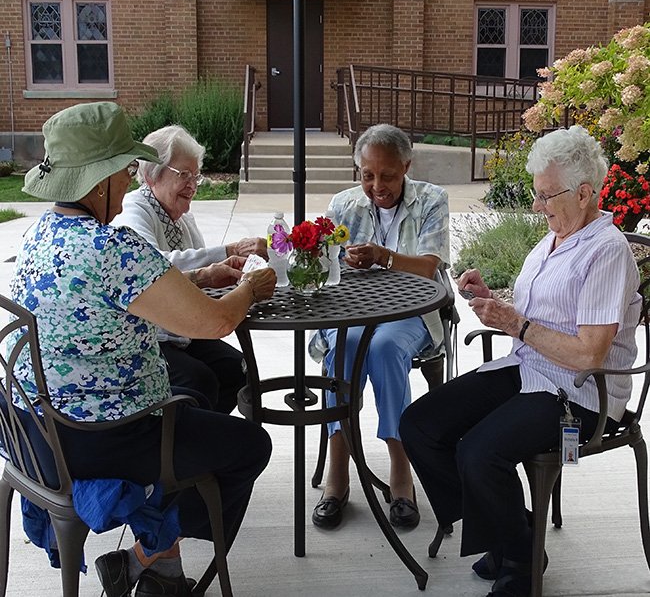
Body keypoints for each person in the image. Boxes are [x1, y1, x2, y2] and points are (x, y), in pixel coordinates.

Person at [11, 102, 276, 597]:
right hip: (100, 435)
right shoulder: (112, 248)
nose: (132, 179)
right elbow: (215, 322)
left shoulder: (39, 234)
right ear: (97, 181)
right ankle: (145, 556)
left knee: (197, 393)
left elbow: (148, 296)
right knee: (248, 446)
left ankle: (163, 572)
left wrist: (203, 277)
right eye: (125, 169)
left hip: (35, 429)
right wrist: (251, 286)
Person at [400, 125, 641, 597]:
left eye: (548, 196)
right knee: (421, 425)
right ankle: (518, 535)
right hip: (529, 367)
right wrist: (493, 302)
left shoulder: (606, 252)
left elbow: (589, 354)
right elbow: (543, 314)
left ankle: (519, 560)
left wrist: (517, 326)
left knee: (479, 452)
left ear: (586, 193)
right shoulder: (556, 237)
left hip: (580, 392)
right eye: (538, 194)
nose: (537, 205)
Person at [309, 123, 450, 530]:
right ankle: (338, 472)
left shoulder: (431, 201)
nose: (377, 185)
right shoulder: (343, 204)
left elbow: (428, 267)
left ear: (406, 166)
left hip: (413, 312)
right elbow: (322, 265)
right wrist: (334, 260)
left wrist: (383, 257)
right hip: (352, 311)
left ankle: (400, 469)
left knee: (385, 346)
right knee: (345, 347)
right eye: (367, 175)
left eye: (387, 175)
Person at [112, 124, 267, 414]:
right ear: (150, 175)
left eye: (196, 175)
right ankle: (178, 448)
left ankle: (198, 442)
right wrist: (229, 251)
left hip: (180, 333)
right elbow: (155, 267)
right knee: (200, 380)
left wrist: (228, 271)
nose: (193, 184)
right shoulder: (134, 211)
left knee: (239, 370)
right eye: (183, 174)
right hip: (149, 336)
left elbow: (200, 275)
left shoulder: (182, 219)